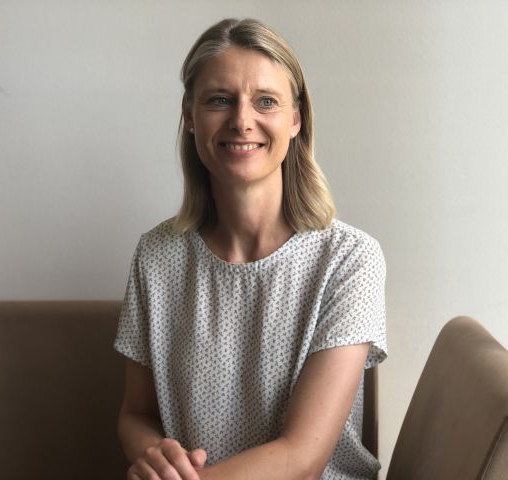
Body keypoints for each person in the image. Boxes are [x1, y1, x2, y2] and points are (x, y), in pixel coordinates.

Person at [114, 18, 387, 480]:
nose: (242, 120)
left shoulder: (349, 260)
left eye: (266, 101)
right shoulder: (155, 256)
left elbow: (303, 456)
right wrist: (157, 459)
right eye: (220, 100)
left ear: (296, 119)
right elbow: (135, 415)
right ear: (189, 115)